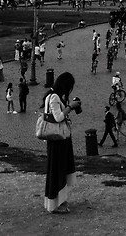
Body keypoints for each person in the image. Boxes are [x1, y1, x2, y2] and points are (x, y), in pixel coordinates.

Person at [43, 72, 79, 214]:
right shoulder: (54, 97)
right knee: (58, 170)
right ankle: (57, 203)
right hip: (58, 140)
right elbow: (58, 117)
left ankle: (58, 200)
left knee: (57, 170)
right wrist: (70, 106)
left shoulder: (51, 96)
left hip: (56, 140)